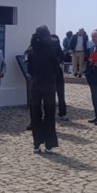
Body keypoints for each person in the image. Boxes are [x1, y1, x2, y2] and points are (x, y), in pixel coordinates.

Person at [27, 25, 60, 153]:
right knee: (49, 113)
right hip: (48, 84)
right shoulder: (50, 49)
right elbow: (56, 67)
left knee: (36, 113)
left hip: (36, 83)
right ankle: (49, 144)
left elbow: (29, 69)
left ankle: (36, 144)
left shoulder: (32, 49)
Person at [51, 34, 68, 121]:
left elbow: (62, 56)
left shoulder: (57, 47)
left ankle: (62, 113)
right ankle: (53, 113)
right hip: (50, 73)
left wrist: (56, 61)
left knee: (60, 94)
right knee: (51, 94)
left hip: (57, 72)